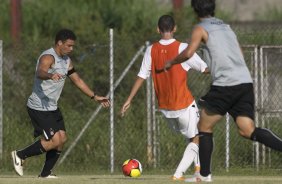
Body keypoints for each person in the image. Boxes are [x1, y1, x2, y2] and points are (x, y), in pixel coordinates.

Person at [161, 0, 282, 182]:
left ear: (195, 10)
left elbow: (188, 53)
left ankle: (204, 175)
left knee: (203, 126)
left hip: (226, 84)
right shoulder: (226, 27)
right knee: (247, 130)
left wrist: (170, 62)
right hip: (244, 82)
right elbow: (239, 52)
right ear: (214, 8)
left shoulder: (200, 28)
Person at [11, 29, 110, 178]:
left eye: (73, 46)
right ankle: (19, 155)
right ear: (59, 43)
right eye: (69, 46)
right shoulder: (48, 57)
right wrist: (51, 75)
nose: (71, 49)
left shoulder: (66, 61)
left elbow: (77, 80)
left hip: (52, 107)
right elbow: (40, 72)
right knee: (54, 140)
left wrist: (94, 96)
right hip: (39, 107)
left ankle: (45, 173)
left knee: (62, 139)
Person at [120, 15, 208, 181]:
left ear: (158, 29)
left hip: (165, 109)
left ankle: (198, 172)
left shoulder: (151, 50)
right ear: (174, 28)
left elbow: (141, 76)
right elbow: (205, 69)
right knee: (199, 137)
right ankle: (178, 174)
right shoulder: (183, 48)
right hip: (183, 103)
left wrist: (129, 99)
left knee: (193, 137)